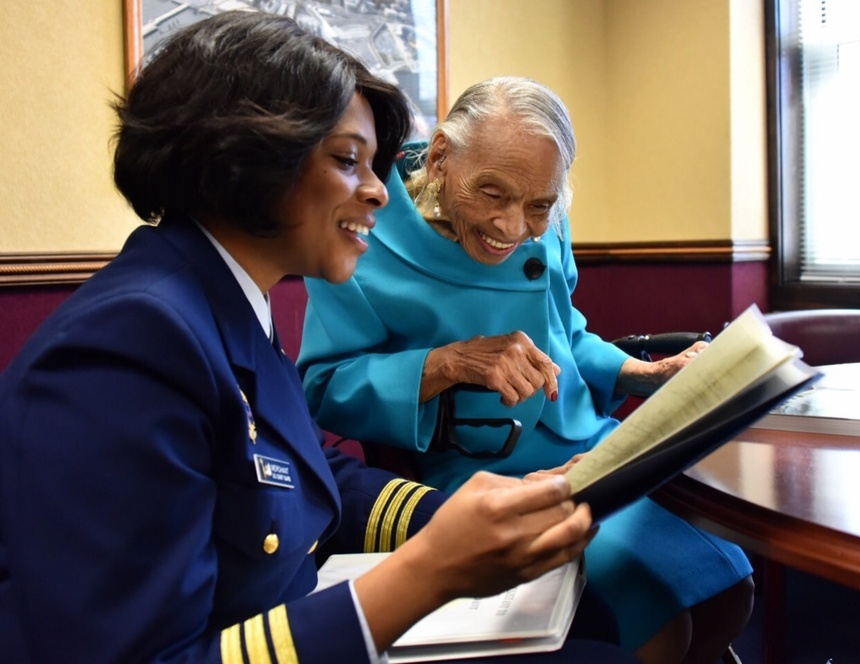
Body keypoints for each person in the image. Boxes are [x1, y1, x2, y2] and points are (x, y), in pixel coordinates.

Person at [0, 14, 641, 664]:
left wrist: (452, 511)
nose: (376, 191)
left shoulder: (214, 296)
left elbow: (300, 472)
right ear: (243, 160)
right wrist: (428, 571)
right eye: (346, 160)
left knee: (592, 619)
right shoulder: (128, 343)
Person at [298, 76, 755, 664]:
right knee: (662, 620)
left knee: (731, 591)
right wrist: (445, 363)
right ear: (440, 159)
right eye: (492, 194)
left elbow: (569, 337)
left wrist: (644, 374)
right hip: (484, 475)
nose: (513, 228)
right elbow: (322, 387)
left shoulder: (547, 208)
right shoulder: (362, 231)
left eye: (538, 206)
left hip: (596, 449)